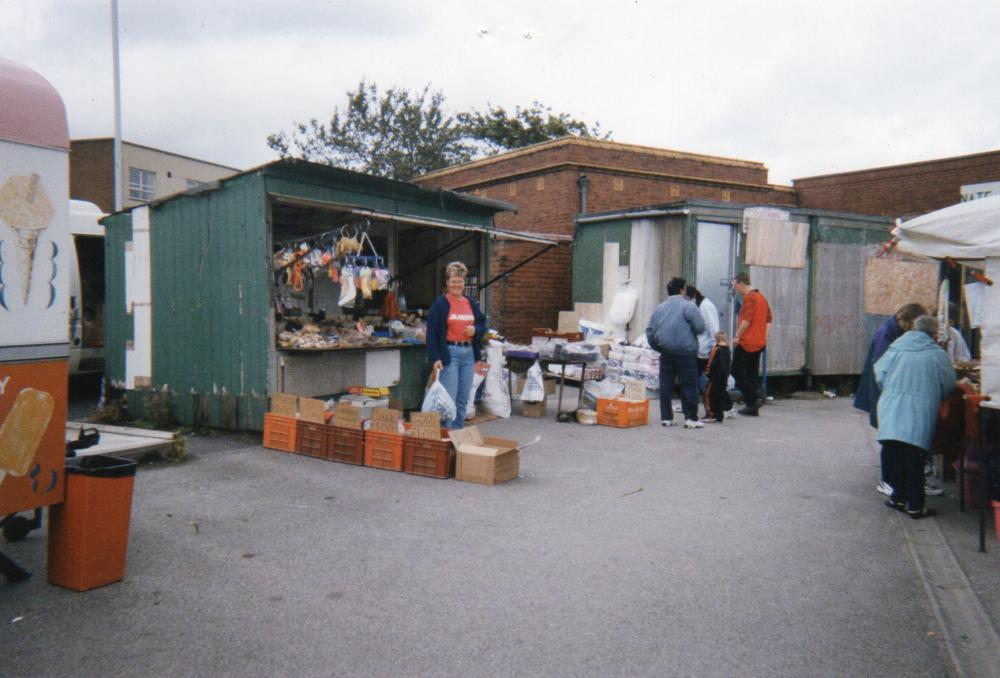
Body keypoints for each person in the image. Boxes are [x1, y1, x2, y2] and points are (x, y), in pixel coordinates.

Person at [874, 315, 957, 519]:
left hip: (891, 407)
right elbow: (948, 385)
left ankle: (897, 498)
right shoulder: (937, 354)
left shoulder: (896, 347)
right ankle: (916, 506)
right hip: (920, 411)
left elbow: (879, 373)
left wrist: (892, 391)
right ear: (932, 333)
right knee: (914, 459)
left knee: (894, 455)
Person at [853, 302, 927, 496]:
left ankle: (895, 480)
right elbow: (882, 365)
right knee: (889, 437)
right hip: (883, 393)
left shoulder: (891, 329)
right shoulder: (887, 333)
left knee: (891, 437)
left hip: (885, 392)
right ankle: (888, 481)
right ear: (910, 322)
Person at [426, 262, 487, 430]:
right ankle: (447, 434)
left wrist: (476, 330)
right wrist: (435, 357)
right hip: (449, 353)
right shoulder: (440, 304)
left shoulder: (471, 303)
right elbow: (431, 333)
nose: (456, 285)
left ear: (464, 283)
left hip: (468, 354)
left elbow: (483, 325)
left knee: (463, 399)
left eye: (459, 281)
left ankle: (458, 434)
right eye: (453, 281)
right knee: (450, 398)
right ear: (447, 282)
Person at [646, 276, 706, 429]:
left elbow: (650, 332)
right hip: (686, 352)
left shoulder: (659, 309)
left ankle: (666, 418)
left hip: (666, 352)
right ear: (682, 290)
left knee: (665, 385)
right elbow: (700, 328)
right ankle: (690, 418)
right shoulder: (689, 307)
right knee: (689, 384)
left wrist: (658, 347)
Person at [730, 271, 771, 417]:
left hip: (747, 341)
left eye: (734, 285)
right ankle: (752, 406)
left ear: (741, 283)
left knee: (736, 371)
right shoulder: (762, 298)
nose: (734, 288)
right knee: (752, 373)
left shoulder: (750, 298)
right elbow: (768, 320)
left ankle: (752, 400)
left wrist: (737, 337)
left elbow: (746, 321)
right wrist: (764, 336)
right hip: (759, 342)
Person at [703, 330, 732, 423]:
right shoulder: (727, 350)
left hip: (715, 377)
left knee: (710, 395)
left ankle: (712, 413)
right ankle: (720, 415)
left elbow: (712, 363)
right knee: (721, 395)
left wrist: (708, 373)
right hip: (724, 377)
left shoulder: (716, 350)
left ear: (716, 339)